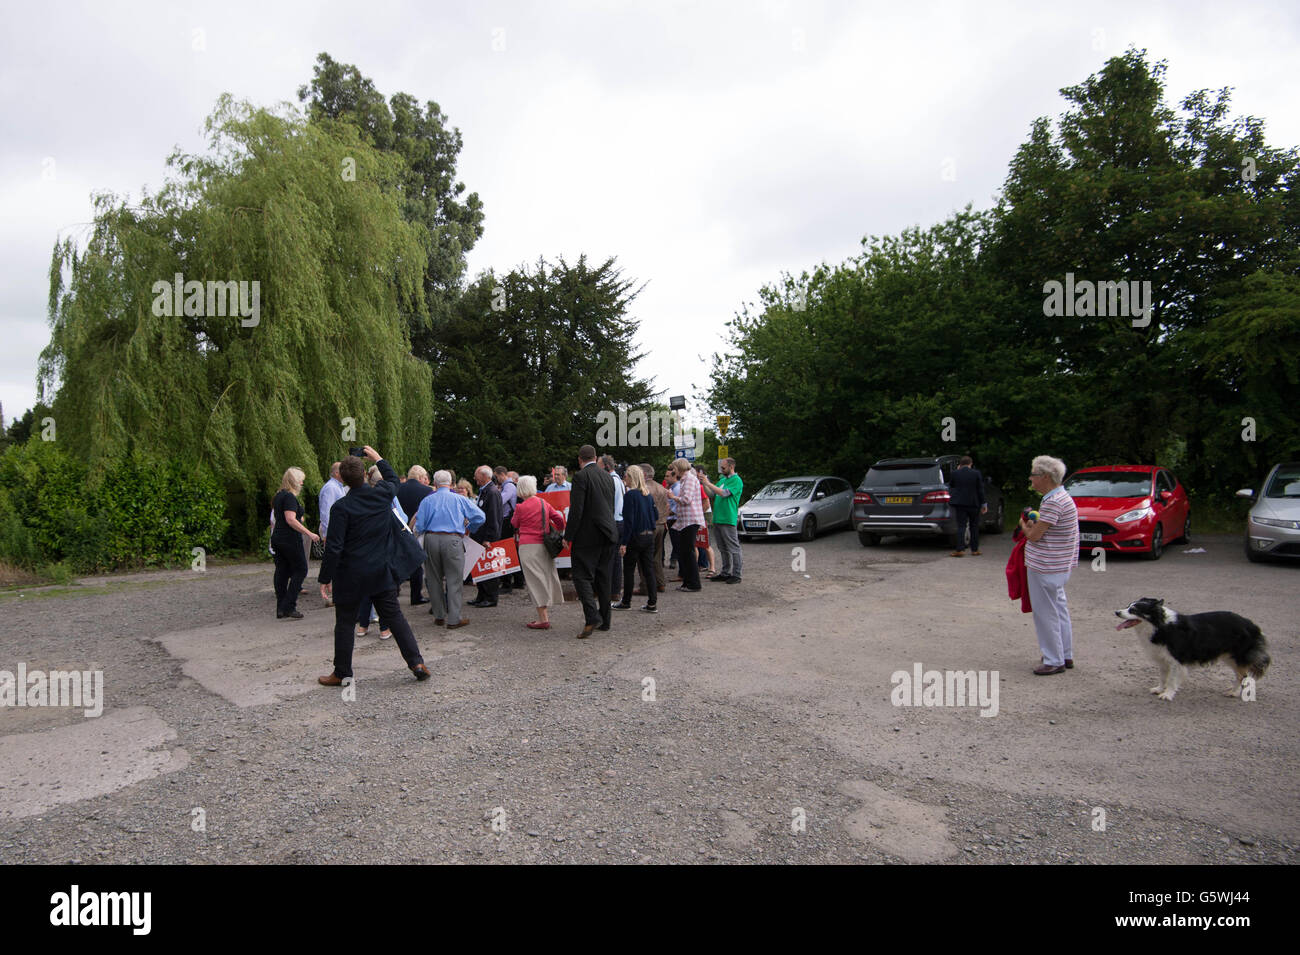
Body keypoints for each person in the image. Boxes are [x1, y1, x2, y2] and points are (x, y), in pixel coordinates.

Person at [316, 447, 431, 685]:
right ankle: (416, 662)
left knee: (346, 622)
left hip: (351, 574)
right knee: (395, 618)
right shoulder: (381, 495)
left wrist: (325, 577)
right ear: (365, 475)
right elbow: (391, 478)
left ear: (343, 479)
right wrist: (377, 457)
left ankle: (342, 672)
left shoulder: (341, 508)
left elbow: (334, 547)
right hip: (381, 569)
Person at [1019, 455, 1080, 675]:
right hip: (1058, 565)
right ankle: (1065, 654)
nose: (1031, 479)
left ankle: (1053, 659)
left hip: (1047, 566)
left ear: (1045, 477)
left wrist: (1024, 525)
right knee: (1059, 609)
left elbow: (1034, 536)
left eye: (1034, 475)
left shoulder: (1053, 502)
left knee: (1046, 613)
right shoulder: (1061, 497)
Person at [413, 469, 484, 629]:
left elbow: (420, 525)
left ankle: (438, 615)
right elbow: (480, 516)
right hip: (453, 539)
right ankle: (454, 619)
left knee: (433, 578)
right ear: (451, 483)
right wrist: (469, 528)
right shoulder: (459, 499)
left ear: (435, 484)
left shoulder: (427, 501)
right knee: (454, 580)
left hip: (431, 539)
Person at [564, 445, 617, 638]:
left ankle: (592, 617)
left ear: (580, 460)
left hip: (588, 535)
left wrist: (568, 536)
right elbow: (609, 505)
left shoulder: (580, 477)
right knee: (603, 577)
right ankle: (605, 620)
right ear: (595, 457)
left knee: (581, 576)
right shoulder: (607, 476)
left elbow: (576, 510)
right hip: (609, 532)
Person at [511, 475, 567, 628]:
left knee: (534, 581)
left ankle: (543, 619)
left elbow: (514, 523)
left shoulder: (520, 507)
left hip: (528, 546)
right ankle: (545, 615)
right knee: (546, 576)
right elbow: (560, 520)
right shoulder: (543, 503)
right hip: (545, 545)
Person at [271, 467, 320, 619]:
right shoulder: (290, 497)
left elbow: (282, 516)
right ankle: (289, 605)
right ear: (295, 481)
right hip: (289, 538)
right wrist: (309, 533)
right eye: (301, 480)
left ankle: (281, 607)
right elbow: (290, 519)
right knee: (301, 569)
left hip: (277, 537)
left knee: (282, 570)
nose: (302, 482)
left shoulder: (278, 496)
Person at [613, 464, 658, 613]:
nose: (624, 478)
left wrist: (624, 542)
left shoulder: (630, 495)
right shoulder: (648, 495)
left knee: (629, 569)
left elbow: (629, 521)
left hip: (635, 537)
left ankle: (626, 601)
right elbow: (655, 516)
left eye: (626, 475)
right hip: (649, 536)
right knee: (648, 570)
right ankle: (652, 603)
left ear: (631, 477)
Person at [700, 457, 744, 583]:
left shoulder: (737, 480)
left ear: (731, 466)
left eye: (723, 467)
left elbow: (724, 493)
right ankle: (725, 572)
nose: (721, 470)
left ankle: (736, 575)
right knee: (722, 548)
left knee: (733, 547)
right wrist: (705, 483)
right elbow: (712, 494)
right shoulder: (723, 479)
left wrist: (708, 484)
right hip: (718, 518)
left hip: (728, 518)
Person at [397, 465, 435, 605]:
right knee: (417, 563)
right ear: (420, 477)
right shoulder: (427, 491)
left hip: (399, 529)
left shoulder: (397, 489)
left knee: (398, 560)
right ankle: (416, 595)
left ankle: (394, 590)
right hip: (418, 530)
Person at [469, 465, 504, 608]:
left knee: (490, 568)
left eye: (476, 475)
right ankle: (481, 595)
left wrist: (489, 538)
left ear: (484, 476)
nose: (474, 478)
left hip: (487, 538)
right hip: (479, 536)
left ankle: (490, 597)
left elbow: (494, 517)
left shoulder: (492, 492)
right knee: (480, 567)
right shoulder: (484, 491)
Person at [669, 457, 704, 592]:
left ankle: (694, 584)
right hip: (686, 520)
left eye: (674, 469)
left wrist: (673, 497)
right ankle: (688, 582)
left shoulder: (689, 479)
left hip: (690, 520)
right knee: (684, 551)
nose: (673, 471)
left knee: (688, 552)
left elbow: (687, 500)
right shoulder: (685, 479)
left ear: (679, 468)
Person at [636, 463, 670, 595]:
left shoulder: (643, 489)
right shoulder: (661, 488)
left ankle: (645, 586)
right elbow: (667, 506)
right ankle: (660, 583)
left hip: (648, 526)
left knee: (643, 557)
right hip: (661, 525)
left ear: (643, 474)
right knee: (657, 556)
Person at [949, 455, 988, 557]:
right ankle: (974, 549)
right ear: (971, 463)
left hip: (960, 503)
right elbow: (980, 489)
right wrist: (983, 503)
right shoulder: (976, 473)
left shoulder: (955, 473)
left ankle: (960, 549)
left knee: (961, 526)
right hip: (973, 503)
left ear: (960, 464)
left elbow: (952, 485)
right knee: (974, 526)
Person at [600, 455, 626, 596]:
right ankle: (615, 590)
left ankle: (610, 590)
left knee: (610, 558)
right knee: (615, 558)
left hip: (614, 522)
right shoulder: (618, 480)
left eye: (599, 465)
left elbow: (607, 504)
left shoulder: (611, 480)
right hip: (619, 521)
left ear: (606, 466)